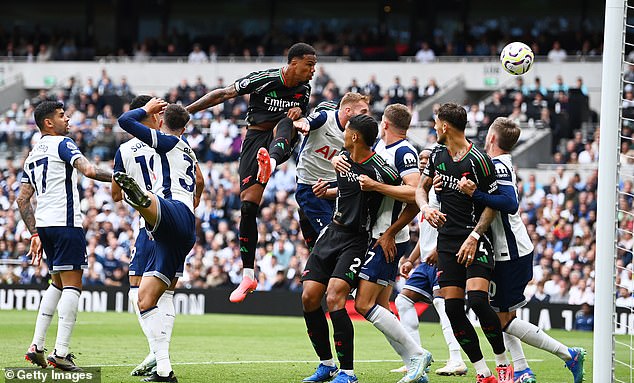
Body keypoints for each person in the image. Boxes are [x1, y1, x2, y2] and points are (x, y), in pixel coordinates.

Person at [455, 117, 586, 383]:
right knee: (502, 315)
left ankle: (568, 354)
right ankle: (523, 370)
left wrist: (475, 195)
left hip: (511, 252)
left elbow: (510, 202)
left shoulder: (500, 166)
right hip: (505, 251)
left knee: (500, 319)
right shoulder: (495, 164)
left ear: (491, 137)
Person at [186, 42, 317, 303]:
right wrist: (186, 112)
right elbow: (222, 94)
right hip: (255, 140)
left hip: (278, 140)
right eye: (309, 64)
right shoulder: (263, 79)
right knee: (247, 208)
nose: (313, 70)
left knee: (286, 122)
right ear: (293, 63)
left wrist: (299, 112)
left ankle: (272, 161)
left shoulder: (304, 89)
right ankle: (248, 275)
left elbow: (300, 114)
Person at [335, 104, 433, 382]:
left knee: (364, 304)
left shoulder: (404, 152)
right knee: (381, 307)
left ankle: (416, 354)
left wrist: (390, 232)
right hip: (373, 234)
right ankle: (415, 365)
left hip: (387, 238)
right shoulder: (377, 147)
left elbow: (416, 194)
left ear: (385, 124)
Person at [415, 102, 511, 383]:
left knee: (479, 302)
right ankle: (483, 372)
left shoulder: (480, 160)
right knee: (453, 308)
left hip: (475, 237)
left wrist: (474, 236)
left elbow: (492, 206)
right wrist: (426, 209)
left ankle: (503, 363)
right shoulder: (436, 155)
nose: (433, 127)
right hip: (446, 242)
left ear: (445, 126)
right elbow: (420, 189)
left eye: (435, 122)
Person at [300, 115, 401, 383]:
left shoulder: (381, 169)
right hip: (332, 233)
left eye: (346, 130)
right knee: (309, 297)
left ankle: (348, 372)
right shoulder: (342, 158)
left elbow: (412, 194)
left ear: (355, 136)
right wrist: (330, 190)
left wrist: (391, 232)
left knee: (334, 297)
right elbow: (349, 189)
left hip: (357, 239)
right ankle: (326, 365)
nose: (343, 133)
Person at [112, 95, 203, 376]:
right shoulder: (188, 148)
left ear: (161, 121)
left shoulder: (166, 141)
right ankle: (164, 368)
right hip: (183, 228)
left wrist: (146, 110)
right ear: (186, 127)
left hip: (166, 212)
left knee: (150, 204)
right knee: (146, 299)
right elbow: (199, 181)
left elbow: (124, 120)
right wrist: (194, 202)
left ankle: (141, 198)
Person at [20, 101, 112, 371]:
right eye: (62, 116)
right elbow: (90, 170)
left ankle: (36, 345)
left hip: (46, 226)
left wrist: (34, 232)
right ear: (49, 123)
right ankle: (61, 352)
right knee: (73, 285)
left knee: (57, 283)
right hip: (66, 223)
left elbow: (22, 200)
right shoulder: (63, 143)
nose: (68, 119)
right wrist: (121, 178)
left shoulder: (33, 154)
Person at [395, 147, 468, 377]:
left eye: (428, 158)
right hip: (426, 261)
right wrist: (410, 259)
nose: (424, 161)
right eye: (421, 159)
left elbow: (454, 223)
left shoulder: (442, 190)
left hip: (444, 257)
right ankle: (415, 357)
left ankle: (457, 359)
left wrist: (439, 250)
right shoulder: (423, 194)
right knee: (403, 301)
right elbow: (426, 234)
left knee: (442, 304)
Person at [294, 92, 370, 252]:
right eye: (363, 111)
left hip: (336, 187)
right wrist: (301, 123)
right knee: (331, 237)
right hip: (311, 186)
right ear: (348, 111)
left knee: (340, 236)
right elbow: (304, 121)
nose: (367, 116)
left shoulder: (356, 135)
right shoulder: (325, 118)